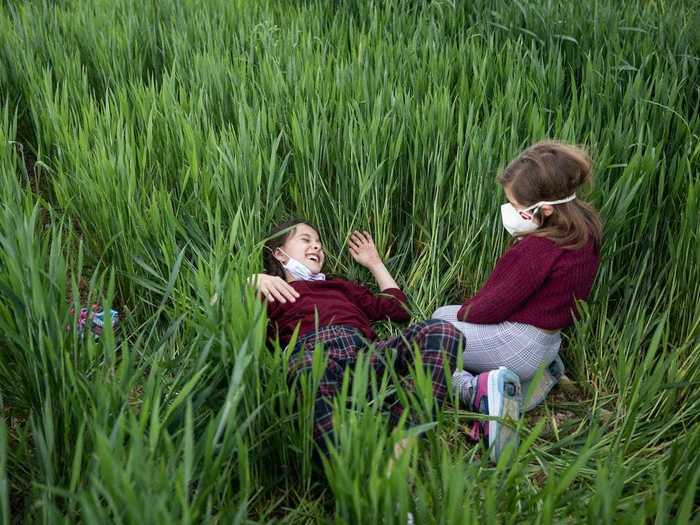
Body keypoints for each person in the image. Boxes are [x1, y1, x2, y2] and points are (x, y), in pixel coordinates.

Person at [433, 141, 603, 451]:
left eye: (516, 206)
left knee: (434, 330)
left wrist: (464, 314)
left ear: (545, 209)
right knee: (447, 321)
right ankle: (536, 382)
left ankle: (479, 391)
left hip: (519, 345)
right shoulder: (584, 229)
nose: (511, 211)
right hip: (548, 342)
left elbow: (490, 308)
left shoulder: (537, 249)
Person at [251, 219, 465, 455]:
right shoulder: (271, 291)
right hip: (316, 357)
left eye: (319, 242)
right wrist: (251, 281)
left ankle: (404, 440)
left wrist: (375, 263)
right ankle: (348, 461)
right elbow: (223, 314)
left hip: (366, 356)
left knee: (443, 331)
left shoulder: (340, 287)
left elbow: (397, 309)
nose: (316, 247)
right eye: (305, 240)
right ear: (280, 254)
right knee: (305, 365)